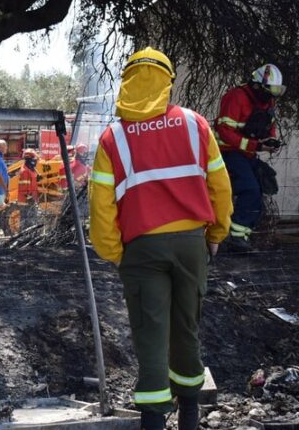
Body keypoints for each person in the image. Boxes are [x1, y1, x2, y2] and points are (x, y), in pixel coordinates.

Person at [89, 47, 233, 430]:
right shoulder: (195, 124)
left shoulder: (112, 138)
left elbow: (101, 207)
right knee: (186, 329)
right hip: (191, 244)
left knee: (150, 336)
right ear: (167, 82)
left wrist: (114, 253)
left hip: (141, 248)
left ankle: (152, 422)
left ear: (127, 82)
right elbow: (220, 185)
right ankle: (189, 415)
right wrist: (216, 233)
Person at [214, 64, 284, 252]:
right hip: (227, 152)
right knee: (250, 189)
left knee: (262, 187)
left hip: (247, 154)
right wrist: (257, 146)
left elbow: (269, 124)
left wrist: (271, 140)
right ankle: (235, 238)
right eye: (269, 91)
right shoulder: (236, 97)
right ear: (256, 86)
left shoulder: (267, 100)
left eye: (275, 92)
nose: (272, 97)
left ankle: (242, 235)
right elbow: (224, 131)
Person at [16, 148, 40, 230]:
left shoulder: (30, 169)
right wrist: (30, 198)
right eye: (34, 159)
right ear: (29, 159)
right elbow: (24, 188)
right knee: (27, 221)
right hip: (26, 201)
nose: (35, 161)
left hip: (30, 199)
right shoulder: (25, 171)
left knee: (31, 220)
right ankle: (25, 236)